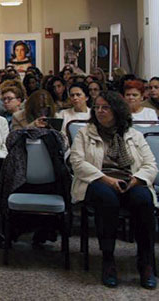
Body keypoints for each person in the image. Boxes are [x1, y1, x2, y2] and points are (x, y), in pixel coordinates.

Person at [69, 91, 158, 289]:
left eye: (105, 107)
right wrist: (106, 179)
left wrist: (137, 179)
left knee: (144, 199)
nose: (100, 111)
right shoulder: (86, 133)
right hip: (98, 180)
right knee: (106, 198)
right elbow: (77, 162)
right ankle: (108, 260)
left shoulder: (133, 135)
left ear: (116, 110)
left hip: (130, 180)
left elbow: (150, 164)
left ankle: (146, 263)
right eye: (97, 107)